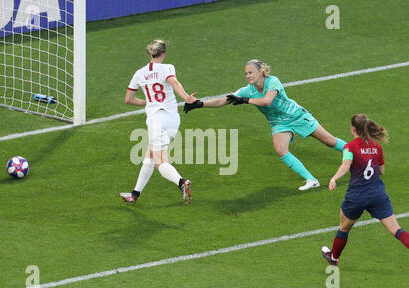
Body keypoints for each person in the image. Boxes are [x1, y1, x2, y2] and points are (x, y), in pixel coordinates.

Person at [184, 59, 347, 190]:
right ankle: (312, 180)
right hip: (279, 123)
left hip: (296, 116)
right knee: (280, 150)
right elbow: (223, 100)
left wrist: (246, 100)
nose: (248, 76)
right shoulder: (247, 90)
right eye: (246, 73)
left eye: (250, 72)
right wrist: (199, 104)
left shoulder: (272, 81)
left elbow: (267, 101)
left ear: (261, 72)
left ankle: (363, 155)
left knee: (329, 141)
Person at [321, 114, 409, 265]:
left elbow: (346, 165)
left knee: (344, 228)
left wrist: (334, 178)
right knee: (396, 230)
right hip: (378, 195)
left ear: (353, 128)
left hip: (357, 196)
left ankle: (334, 258)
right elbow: (381, 171)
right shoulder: (377, 147)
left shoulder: (350, 147)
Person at [119, 39, 196, 204]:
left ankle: (182, 183)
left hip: (156, 121)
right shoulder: (168, 68)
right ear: (163, 54)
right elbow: (174, 82)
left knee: (160, 162)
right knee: (149, 156)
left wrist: (146, 102)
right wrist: (187, 98)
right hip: (173, 119)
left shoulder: (139, 73)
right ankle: (135, 194)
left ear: (150, 53)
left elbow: (128, 99)